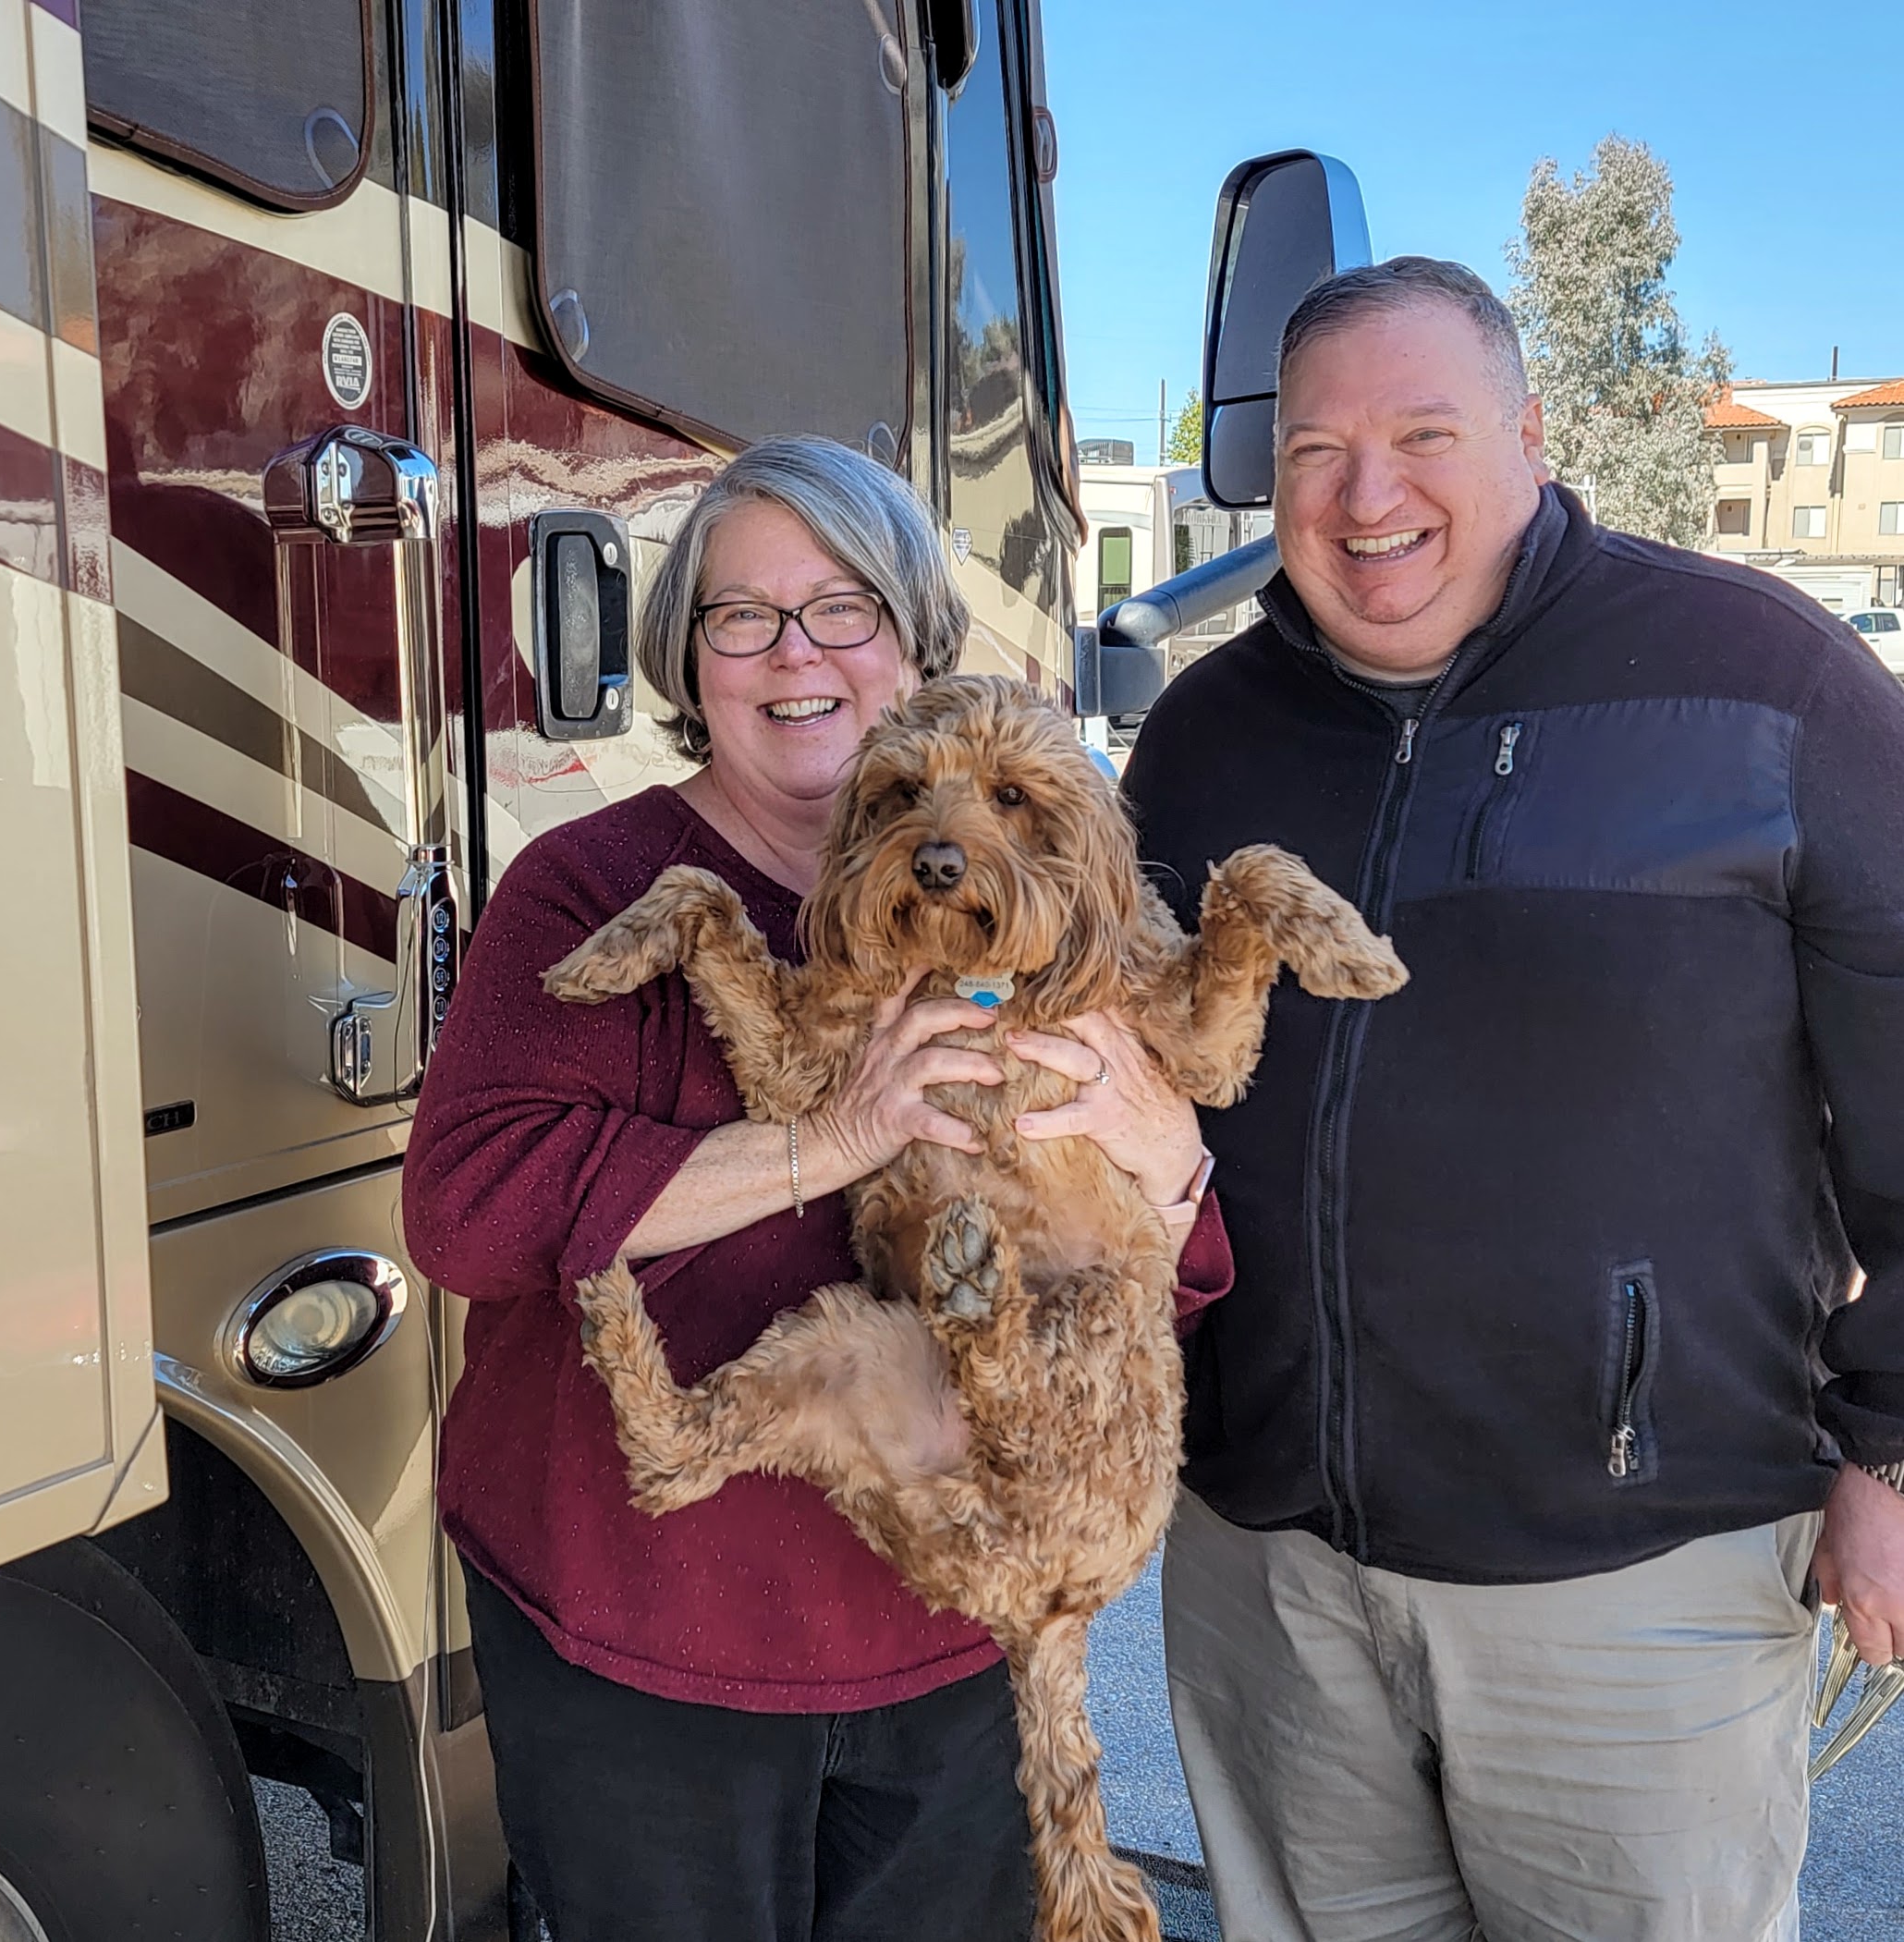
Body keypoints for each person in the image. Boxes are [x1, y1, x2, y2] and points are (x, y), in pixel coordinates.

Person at [1123, 257, 1904, 1942]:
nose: (1367, 494)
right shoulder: (1198, 740)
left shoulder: (1767, 688)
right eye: (1318, 450)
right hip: (1270, 1570)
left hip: (1636, 1576)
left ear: (1532, 437)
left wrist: (1891, 1463)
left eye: (1422, 433)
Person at [402, 434, 1230, 1942]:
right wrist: (829, 1140)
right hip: (643, 1651)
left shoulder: (1039, 903)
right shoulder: (590, 885)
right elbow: (464, 1211)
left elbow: (1165, 1271)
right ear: (687, 657)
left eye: (841, 606)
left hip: (947, 1645)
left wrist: (1172, 1161)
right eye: (742, 617)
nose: (796, 655)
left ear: (915, 637)